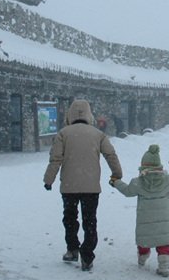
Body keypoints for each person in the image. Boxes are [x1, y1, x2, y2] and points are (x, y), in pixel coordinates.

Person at [43, 99, 123, 271]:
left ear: (70, 115)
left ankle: (72, 249)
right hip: (91, 186)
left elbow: (55, 159)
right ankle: (87, 255)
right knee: (90, 220)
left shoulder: (63, 134)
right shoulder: (98, 135)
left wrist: (49, 180)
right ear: (89, 115)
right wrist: (117, 174)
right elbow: (111, 155)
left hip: (69, 186)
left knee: (70, 218)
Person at [109, 144, 169, 277]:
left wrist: (116, 182)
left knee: (144, 240)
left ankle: (142, 259)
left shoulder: (138, 182)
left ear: (143, 166)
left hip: (146, 220)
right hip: (164, 219)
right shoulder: (167, 180)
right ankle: (164, 267)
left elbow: (127, 191)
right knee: (163, 242)